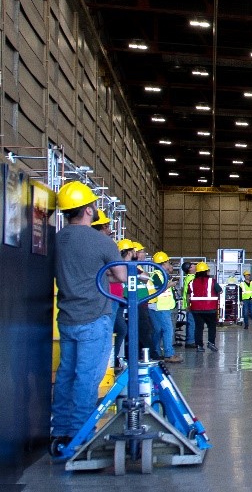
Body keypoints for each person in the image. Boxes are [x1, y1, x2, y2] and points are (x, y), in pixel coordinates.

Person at [50, 181, 124, 458]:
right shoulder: (102, 242)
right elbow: (121, 277)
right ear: (90, 210)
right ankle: (81, 435)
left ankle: (61, 430)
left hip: (67, 317)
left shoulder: (56, 239)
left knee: (67, 374)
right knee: (86, 379)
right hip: (94, 317)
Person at [147, 252, 181, 364]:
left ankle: (155, 351)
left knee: (159, 330)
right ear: (163, 263)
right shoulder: (157, 275)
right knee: (168, 330)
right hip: (160, 306)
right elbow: (158, 289)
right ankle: (169, 354)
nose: (169, 264)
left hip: (160, 306)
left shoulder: (160, 274)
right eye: (168, 262)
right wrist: (170, 285)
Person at [188, 262, 219, 351]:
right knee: (212, 326)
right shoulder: (212, 281)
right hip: (210, 308)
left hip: (196, 309)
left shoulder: (192, 282)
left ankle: (199, 346)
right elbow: (219, 291)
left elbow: (189, 294)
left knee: (199, 327)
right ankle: (211, 343)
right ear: (207, 272)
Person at [181, 261, 197, 348]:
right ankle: (190, 341)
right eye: (192, 265)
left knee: (191, 322)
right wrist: (189, 304)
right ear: (189, 269)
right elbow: (189, 293)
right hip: (191, 304)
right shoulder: (191, 278)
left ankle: (190, 339)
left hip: (189, 304)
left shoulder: (189, 277)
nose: (194, 266)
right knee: (192, 323)